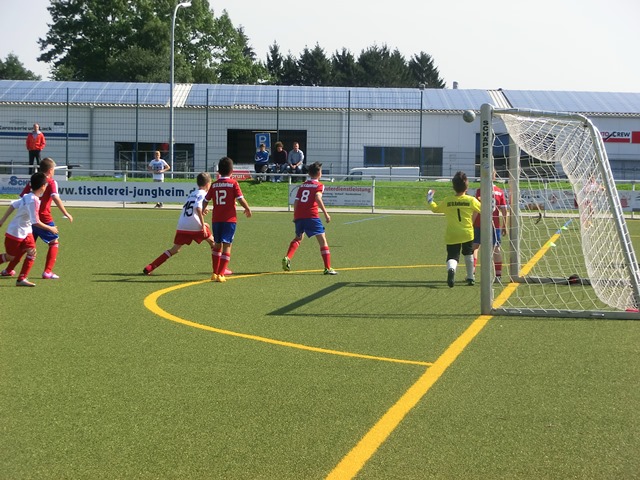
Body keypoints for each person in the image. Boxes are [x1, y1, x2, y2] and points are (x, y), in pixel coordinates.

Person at [2, 157, 73, 279]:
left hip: (28, 220)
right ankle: (47, 272)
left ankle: (9, 270)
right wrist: (65, 212)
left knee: (25, 247)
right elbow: (55, 197)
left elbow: (22, 198)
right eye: (54, 170)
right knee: (54, 242)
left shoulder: (33, 180)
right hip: (43, 219)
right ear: (50, 170)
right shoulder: (51, 182)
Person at [143, 172, 217, 276]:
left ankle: (150, 267)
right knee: (214, 244)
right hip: (195, 226)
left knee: (175, 249)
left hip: (182, 225)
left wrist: (202, 216)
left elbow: (192, 209)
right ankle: (218, 270)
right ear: (208, 184)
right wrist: (202, 225)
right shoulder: (204, 194)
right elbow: (198, 208)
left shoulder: (192, 193)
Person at [0, 172, 59, 287]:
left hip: (26, 232)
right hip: (16, 232)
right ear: (43, 186)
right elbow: (35, 221)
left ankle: (21, 279)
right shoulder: (33, 200)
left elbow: (13, 205)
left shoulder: (27, 196)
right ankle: (18, 276)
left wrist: (2, 220)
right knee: (10, 257)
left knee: (32, 252)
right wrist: (50, 228)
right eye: (46, 185)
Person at [427, 171, 481, 287]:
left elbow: (435, 209)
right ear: (467, 187)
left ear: (453, 187)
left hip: (452, 233)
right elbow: (484, 209)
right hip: (467, 232)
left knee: (452, 255)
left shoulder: (448, 200)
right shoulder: (471, 200)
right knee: (468, 253)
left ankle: (451, 269)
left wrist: (430, 200)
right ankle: (470, 277)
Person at [282, 161, 337, 275]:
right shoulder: (319, 185)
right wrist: (326, 213)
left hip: (299, 216)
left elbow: (296, 201)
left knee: (298, 238)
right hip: (311, 216)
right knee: (323, 241)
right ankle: (327, 268)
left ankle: (288, 257)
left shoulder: (303, 185)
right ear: (319, 173)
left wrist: (295, 215)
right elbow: (317, 197)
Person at [203, 157, 252, 283]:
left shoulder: (214, 185)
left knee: (217, 245)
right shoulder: (233, 183)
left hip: (216, 219)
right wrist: (247, 208)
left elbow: (205, 200)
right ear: (231, 171)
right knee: (227, 245)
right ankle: (221, 274)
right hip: (229, 220)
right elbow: (240, 199)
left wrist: (203, 210)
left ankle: (214, 273)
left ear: (219, 171)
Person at [472, 170, 508, 282]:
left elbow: (476, 209)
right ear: (494, 177)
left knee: (475, 247)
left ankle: (471, 273)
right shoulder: (499, 192)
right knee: (496, 248)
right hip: (494, 224)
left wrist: (471, 223)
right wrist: (504, 225)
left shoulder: (480, 191)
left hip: (479, 223)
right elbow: (504, 210)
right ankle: (498, 275)